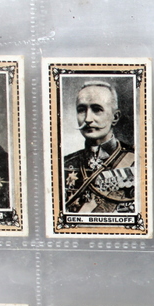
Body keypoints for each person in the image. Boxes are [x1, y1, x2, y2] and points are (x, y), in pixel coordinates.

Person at [63, 81, 136, 213]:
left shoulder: (136, 161)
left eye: (97, 109)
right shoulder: (65, 164)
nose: (87, 119)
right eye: (81, 110)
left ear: (115, 117)